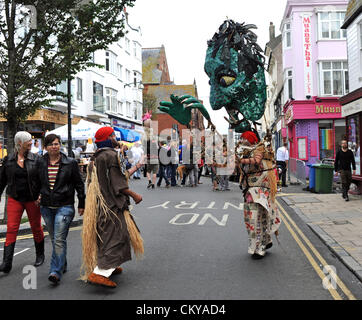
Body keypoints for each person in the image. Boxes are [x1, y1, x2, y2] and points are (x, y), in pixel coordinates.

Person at [81, 126, 144, 288]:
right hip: (112, 205)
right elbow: (119, 183)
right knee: (116, 237)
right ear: (109, 138)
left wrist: (137, 167)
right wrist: (134, 195)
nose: (116, 137)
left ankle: (110, 266)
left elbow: (117, 177)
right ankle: (100, 272)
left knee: (106, 236)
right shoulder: (111, 156)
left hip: (100, 205)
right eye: (113, 135)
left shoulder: (97, 157)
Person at [38, 133, 85, 285]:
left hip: (65, 206)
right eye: (51, 144)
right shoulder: (40, 162)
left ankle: (55, 271)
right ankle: (62, 264)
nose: (54, 146)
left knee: (58, 239)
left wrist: (81, 203)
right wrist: (36, 195)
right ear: (45, 147)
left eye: (57, 143)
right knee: (56, 239)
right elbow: (34, 182)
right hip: (46, 206)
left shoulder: (70, 162)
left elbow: (79, 184)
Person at [0, 132, 44, 274]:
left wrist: (41, 195)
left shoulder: (36, 159)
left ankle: (40, 255)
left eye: (31, 141)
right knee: (11, 228)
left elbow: (43, 180)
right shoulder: (8, 160)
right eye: (28, 141)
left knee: (36, 227)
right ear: (19, 143)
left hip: (32, 199)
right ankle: (6, 263)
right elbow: (2, 181)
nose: (31, 143)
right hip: (15, 198)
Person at [237, 131, 281, 259]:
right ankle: (266, 241)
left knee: (256, 220)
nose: (242, 141)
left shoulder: (259, 149)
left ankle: (259, 248)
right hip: (251, 191)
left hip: (259, 192)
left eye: (244, 138)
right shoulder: (248, 150)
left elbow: (256, 161)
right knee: (256, 219)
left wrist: (241, 160)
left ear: (249, 139)